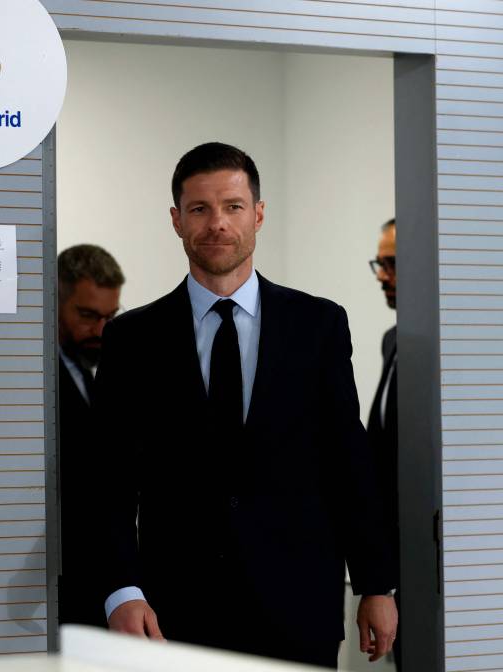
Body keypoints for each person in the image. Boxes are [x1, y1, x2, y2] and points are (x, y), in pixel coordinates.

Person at [90, 142, 397, 669]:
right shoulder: (131, 339)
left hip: (298, 607)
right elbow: (108, 480)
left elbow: (348, 460)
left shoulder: (318, 325)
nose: (217, 223)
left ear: (258, 214)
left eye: (233, 206)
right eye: (199, 208)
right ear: (176, 220)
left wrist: (375, 584)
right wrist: (121, 590)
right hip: (174, 611)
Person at [56, 244, 124, 628]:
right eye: (87, 315)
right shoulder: (30, 373)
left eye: (110, 317)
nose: (101, 330)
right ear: (54, 301)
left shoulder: (86, 370)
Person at [368, 218, 400, 670]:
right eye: (380, 264)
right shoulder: (393, 340)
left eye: (391, 264)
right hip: (395, 565)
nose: (382, 276)